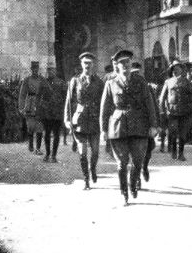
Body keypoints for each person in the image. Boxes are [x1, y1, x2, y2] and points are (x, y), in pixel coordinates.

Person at [100, 49, 158, 205]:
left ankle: (133, 184)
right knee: (121, 163)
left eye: (127, 62)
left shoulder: (140, 82)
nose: (125, 65)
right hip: (118, 127)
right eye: (122, 63)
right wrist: (103, 129)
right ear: (117, 66)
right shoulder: (110, 84)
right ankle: (124, 191)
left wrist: (153, 125)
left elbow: (149, 103)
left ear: (131, 64)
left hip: (139, 126)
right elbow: (104, 108)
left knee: (138, 161)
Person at [65, 52, 105, 189]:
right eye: (85, 63)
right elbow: (69, 102)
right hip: (80, 120)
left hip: (94, 120)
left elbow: (103, 103)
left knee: (95, 152)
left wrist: (104, 121)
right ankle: (86, 179)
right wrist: (67, 119)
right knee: (82, 153)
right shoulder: (75, 81)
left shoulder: (99, 82)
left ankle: (92, 168)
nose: (87, 65)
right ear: (81, 64)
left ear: (93, 64)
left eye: (89, 63)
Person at [159, 60, 192, 160]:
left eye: (178, 69)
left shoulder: (186, 82)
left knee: (182, 133)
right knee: (173, 132)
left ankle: (181, 153)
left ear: (181, 70)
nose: (176, 71)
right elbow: (162, 98)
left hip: (184, 111)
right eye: (174, 69)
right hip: (172, 111)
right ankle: (174, 151)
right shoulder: (168, 82)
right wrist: (162, 111)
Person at [38, 65, 65, 162]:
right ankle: (47, 154)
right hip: (47, 113)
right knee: (47, 134)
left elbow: (65, 97)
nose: (50, 72)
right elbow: (39, 96)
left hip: (57, 112)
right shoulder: (43, 83)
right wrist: (40, 109)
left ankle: (54, 155)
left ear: (55, 71)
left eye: (52, 70)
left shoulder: (61, 82)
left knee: (56, 134)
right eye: (48, 70)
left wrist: (63, 110)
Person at [18, 61, 47, 155]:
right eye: (33, 69)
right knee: (30, 126)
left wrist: (46, 103)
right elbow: (22, 94)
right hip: (29, 104)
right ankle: (31, 144)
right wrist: (21, 107)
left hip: (40, 104)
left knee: (40, 127)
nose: (35, 70)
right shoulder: (27, 80)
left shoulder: (42, 79)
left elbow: (48, 91)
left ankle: (38, 148)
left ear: (38, 69)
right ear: (31, 70)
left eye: (36, 69)